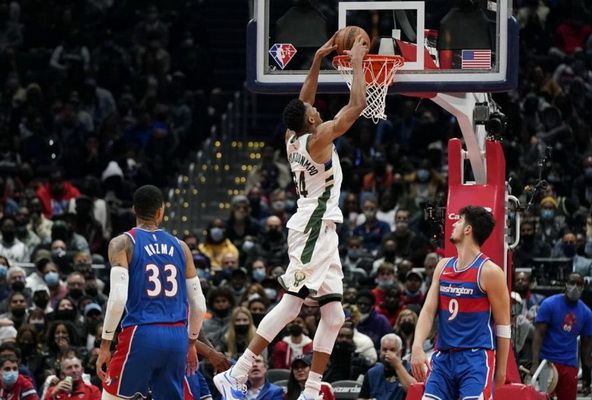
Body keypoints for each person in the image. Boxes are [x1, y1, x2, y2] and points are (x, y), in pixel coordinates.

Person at [214, 32, 368, 400]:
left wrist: (317, 60)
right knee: (292, 303)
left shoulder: (293, 135)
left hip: (321, 225)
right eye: (314, 111)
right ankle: (236, 373)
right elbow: (358, 104)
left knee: (335, 316)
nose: (317, 109)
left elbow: (303, 100)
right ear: (310, 119)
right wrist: (358, 62)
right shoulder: (319, 139)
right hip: (313, 224)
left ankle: (311, 390)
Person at [96, 185, 207, 399]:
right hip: (177, 337)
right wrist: (191, 342)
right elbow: (199, 305)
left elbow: (118, 299)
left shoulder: (122, 243)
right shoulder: (181, 247)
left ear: (133, 210)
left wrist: (105, 344)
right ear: (160, 211)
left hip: (141, 332)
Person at [411, 206, 511, 400]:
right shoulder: (443, 266)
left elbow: (503, 325)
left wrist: (501, 371)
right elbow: (428, 310)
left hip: (475, 358)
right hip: (443, 357)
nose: (453, 224)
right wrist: (417, 346)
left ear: (468, 229)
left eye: (458, 221)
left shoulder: (490, 271)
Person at [531, 273, 592, 400]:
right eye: (572, 283)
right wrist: (535, 364)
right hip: (546, 364)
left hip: (569, 365)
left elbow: (586, 349)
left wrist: (587, 377)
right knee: (542, 398)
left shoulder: (586, 313)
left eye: (579, 284)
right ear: (566, 284)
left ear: (583, 287)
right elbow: (538, 336)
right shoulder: (549, 304)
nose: (575, 287)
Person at [357, 333, 416, 400]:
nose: (387, 354)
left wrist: (397, 365)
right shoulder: (372, 373)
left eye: (392, 350)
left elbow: (414, 392)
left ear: (400, 352)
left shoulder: (411, 369)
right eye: (384, 350)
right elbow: (362, 398)